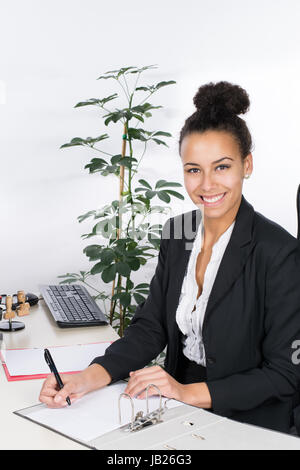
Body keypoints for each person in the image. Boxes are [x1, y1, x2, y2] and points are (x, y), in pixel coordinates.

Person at [39, 81, 300, 434]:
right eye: (194, 169)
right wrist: (88, 378)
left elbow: (286, 374)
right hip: (176, 410)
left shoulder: (279, 252)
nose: (206, 184)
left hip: (249, 421)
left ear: (247, 165)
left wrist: (185, 392)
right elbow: (151, 328)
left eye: (221, 167)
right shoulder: (178, 233)